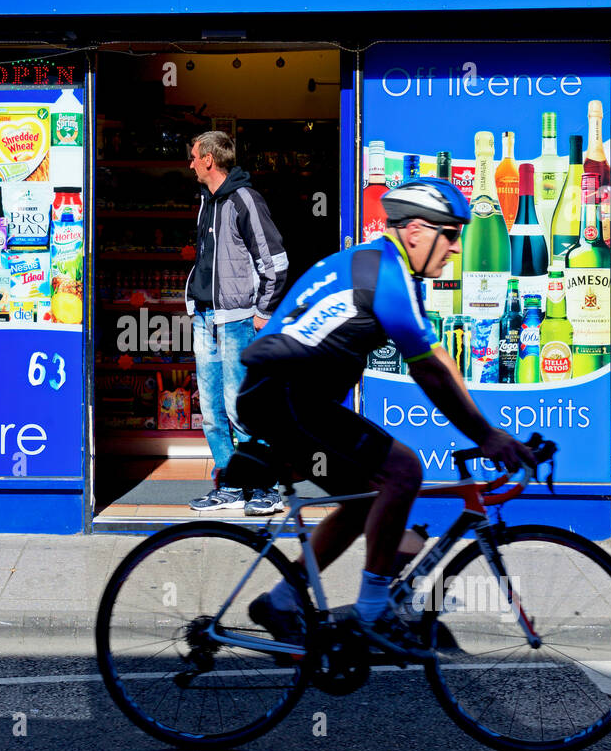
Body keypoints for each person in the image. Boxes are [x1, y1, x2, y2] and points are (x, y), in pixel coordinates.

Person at [233, 177, 535, 648]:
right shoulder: (387, 278)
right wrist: (488, 437)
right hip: (283, 394)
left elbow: (440, 361)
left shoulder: (386, 269)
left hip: (286, 395)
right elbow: (430, 377)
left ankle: (282, 601)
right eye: (451, 235)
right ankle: (373, 612)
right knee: (403, 470)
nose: (456, 248)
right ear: (416, 230)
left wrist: (490, 431)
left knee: (364, 500)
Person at [183, 131, 288, 515]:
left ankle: (266, 488)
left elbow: (276, 262)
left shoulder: (245, 199)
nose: (191, 163)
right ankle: (231, 485)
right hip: (206, 319)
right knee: (211, 413)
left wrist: (262, 311)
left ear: (209, 159)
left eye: (194, 156)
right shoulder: (206, 201)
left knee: (241, 409)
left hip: (238, 321)